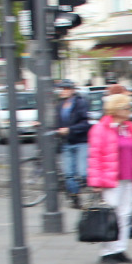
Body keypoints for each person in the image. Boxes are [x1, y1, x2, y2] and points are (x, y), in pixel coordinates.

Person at [87, 93, 132, 264]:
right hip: (111, 179)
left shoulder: (128, 128)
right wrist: (95, 182)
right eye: (127, 108)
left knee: (125, 215)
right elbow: (94, 156)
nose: (129, 111)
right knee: (111, 216)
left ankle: (120, 249)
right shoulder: (100, 129)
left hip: (128, 178)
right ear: (117, 110)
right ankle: (107, 252)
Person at [54, 80, 91, 208]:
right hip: (66, 142)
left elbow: (86, 123)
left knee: (82, 173)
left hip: (81, 141)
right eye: (62, 89)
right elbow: (56, 122)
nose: (63, 91)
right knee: (69, 173)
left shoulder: (80, 103)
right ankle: (75, 197)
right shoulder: (59, 105)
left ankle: (91, 190)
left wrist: (70, 129)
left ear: (72, 90)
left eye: (66, 89)